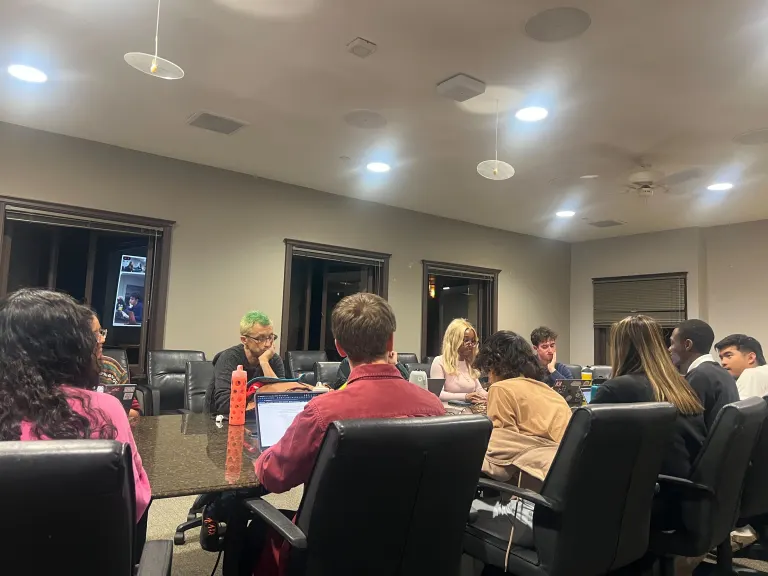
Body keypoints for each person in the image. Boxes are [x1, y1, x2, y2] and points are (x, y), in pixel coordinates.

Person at [250, 293, 445, 575]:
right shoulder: (433, 407)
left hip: (333, 555)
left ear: (339, 348)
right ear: (391, 342)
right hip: (410, 549)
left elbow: (274, 477)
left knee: (251, 526)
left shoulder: (322, 412)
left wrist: (263, 454)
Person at [0, 289, 150, 522]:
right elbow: (135, 500)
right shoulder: (104, 409)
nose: (98, 341)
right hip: (89, 554)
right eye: (91, 336)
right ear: (70, 348)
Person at [470, 330, 571, 549]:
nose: (488, 377)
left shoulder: (501, 389)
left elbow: (498, 462)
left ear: (494, 364)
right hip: (568, 511)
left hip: (531, 510)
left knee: (458, 513)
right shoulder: (553, 394)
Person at [592, 315, 706, 479]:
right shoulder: (680, 385)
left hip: (652, 491)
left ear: (620, 349)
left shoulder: (616, 389)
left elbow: (582, 446)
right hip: (685, 485)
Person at [212, 311, 286, 415]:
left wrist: (264, 362)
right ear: (244, 340)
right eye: (260, 338)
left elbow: (283, 401)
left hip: (259, 419)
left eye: (270, 337)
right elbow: (225, 405)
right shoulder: (229, 358)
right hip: (223, 422)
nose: (268, 344)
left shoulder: (274, 360)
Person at [669, 319, 738, 430]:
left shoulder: (699, 377)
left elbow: (689, 431)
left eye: (672, 343)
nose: (669, 349)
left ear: (687, 345)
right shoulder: (722, 373)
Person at [89, 310, 141, 418]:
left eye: (101, 332)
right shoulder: (63, 373)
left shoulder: (113, 368)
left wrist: (111, 408)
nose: (102, 339)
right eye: (95, 334)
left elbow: (135, 412)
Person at [430, 318, 488, 403]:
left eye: (473, 341)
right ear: (454, 340)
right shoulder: (439, 362)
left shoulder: (468, 363)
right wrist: (465, 397)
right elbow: (438, 394)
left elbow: (479, 390)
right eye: (466, 340)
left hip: (470, 411)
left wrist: (492, 395)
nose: (470, 345)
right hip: (449, 412)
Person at [716, 334, 768, 399]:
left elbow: (738, 408)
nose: (723, 362)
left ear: (751, 358)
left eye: (728, 355)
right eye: (721, 358)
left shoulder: (751, 374)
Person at [331, 351, 410, 389]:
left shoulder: (388, 361)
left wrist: (395, 363)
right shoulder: (348, 362)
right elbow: (339, 388)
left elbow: (408, 384)